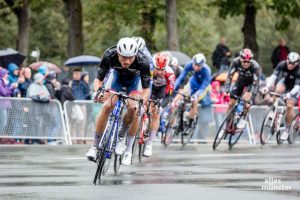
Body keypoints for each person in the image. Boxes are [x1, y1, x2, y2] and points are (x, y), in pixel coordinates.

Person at [86, 37, 151, 165]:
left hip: (134, 81)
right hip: (116, 77)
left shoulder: (143, 60)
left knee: (133, 108)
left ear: (135, 55)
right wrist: (97, 91)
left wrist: (142, 100)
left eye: (130, 58)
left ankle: (121, 136)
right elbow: (98, 79)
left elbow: (146, 89)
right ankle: (94, 146)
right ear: (117, 53)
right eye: (123, 57)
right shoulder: (109, 54)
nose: (126, 61)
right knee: (106, 106)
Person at [261, 52, 300, 140]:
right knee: (277, 90)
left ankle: (286, 129)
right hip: (285, 82)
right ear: (287, 60)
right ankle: (273, 109)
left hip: (296, 88)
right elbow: (273, 77)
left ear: (297, 63)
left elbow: (297, 87)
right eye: (289, 62)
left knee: (289, 105)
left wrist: (289, 94)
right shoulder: (282, 64)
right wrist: (267, 87)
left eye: (293, 64)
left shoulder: (298, 71)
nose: (290, 65)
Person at [143, 52, 175, 157]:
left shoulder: (170, 74)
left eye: (163, 69)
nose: (160, 72)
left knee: (156, 113)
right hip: (149, 87)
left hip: (161, 90)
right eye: (158, 69)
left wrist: (160, 107)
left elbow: (169, 95)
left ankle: (149, 144)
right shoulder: (148, 68)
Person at [172, 53, 212, 129]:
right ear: (193, 62)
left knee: (194, 100)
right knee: (182, 93)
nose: (196, 67)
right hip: (193, 82)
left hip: (202, 87)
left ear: (202, 66)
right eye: (195, 65)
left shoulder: (207, 71)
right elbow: (181, 77)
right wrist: (173, 87)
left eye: (199, 66)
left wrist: (196, 95)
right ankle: (176, 116)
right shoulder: (189, 65)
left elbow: (203, 87)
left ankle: (190, 122)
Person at [224, 48, 260, 129]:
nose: (246, 63)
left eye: (248, 61)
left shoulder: (255, 66)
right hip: (240, 81)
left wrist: (251, 99)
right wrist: (227, 89)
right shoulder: (235, 62)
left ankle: (243, 118)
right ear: (240, 59)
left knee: (246, 100)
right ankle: (226, 124)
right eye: (244, 61)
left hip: (251, 84)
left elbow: (257, 84)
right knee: (231, 103)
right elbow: (229, 76)